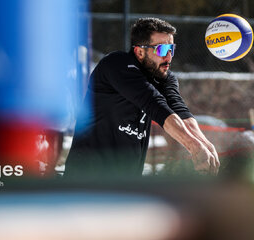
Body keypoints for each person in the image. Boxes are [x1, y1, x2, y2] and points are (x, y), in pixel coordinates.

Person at [65, 17, 220, 178]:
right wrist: (194, 147)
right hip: (86, 178)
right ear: (139, 51)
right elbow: (155, 105)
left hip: (126, 183)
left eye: (171, 49)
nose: (168, 57)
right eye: (161, 49)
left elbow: (180, 111)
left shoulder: (164, 76)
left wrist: (206, 145)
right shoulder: (117, 65)